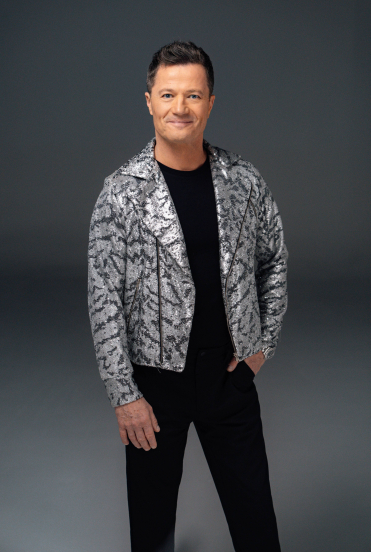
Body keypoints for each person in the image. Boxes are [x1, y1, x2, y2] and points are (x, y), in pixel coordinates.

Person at [87, 40, 288, 552]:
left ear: (210, 103)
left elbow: (274, 262)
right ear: (149, 101)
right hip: (154, 389)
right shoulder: (121, 192)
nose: (180, 107)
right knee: (152, 528)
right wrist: (124, 395)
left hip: (229, 376)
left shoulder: (243, 181)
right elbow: (104, 298)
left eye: (193, 95)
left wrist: (261, 348)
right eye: (168, 94)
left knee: (256, 522)